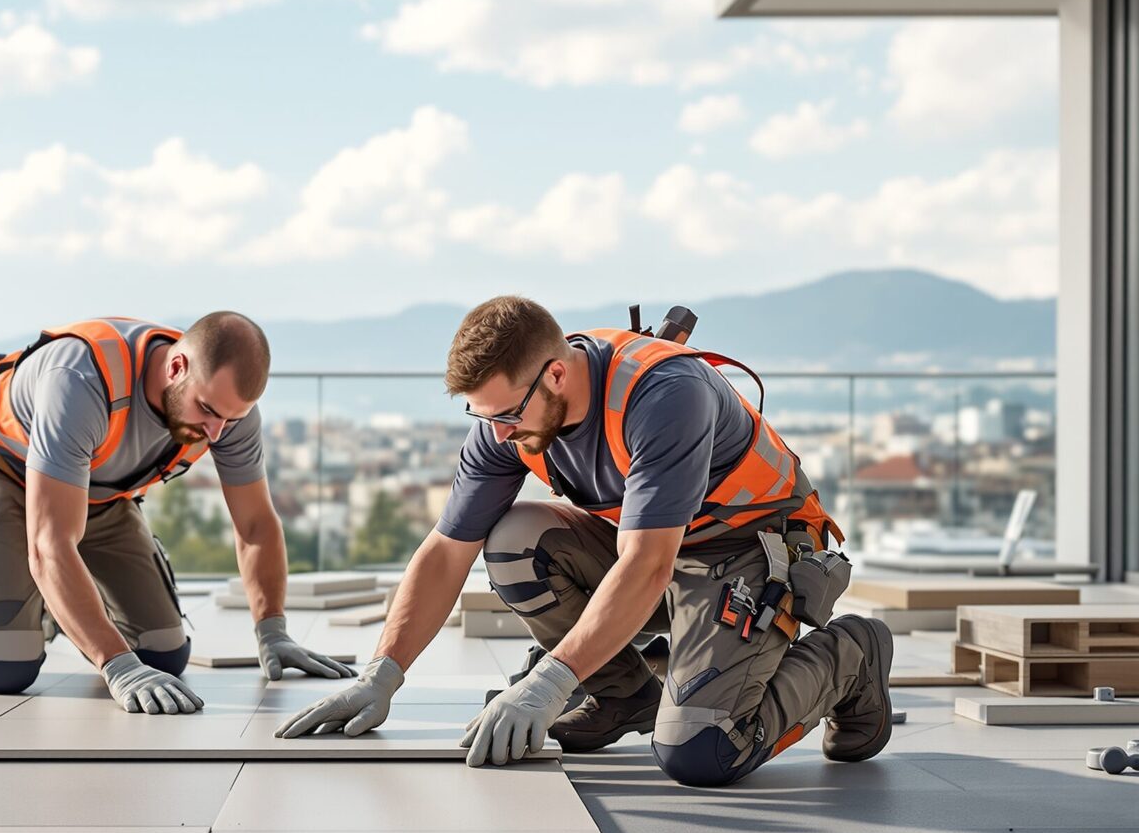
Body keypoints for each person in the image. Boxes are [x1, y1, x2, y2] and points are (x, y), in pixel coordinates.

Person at [276, 295, 893, 784]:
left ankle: (856, 654)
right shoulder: (509, 422)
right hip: (655, 555)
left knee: (702, 751)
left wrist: (549, 682)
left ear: (555, 375)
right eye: (483, 416)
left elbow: (646, 566)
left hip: (747, 551)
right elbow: (445, 551)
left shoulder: (664, 395)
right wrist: (382, 674)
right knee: (517, 538)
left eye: (508, 414)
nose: (499, 431)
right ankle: (622, 693)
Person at [0, 312, 353, 712]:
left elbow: (254, 524)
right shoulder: (81, 380)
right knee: (1, 664)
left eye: (229, 418)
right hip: (5, 475)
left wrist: (272, 630)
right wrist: (115, 666)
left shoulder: (226, 416)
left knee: (162, 655)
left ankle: (35, 604)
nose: (215, 433)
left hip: (97, 495)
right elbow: (49, 545)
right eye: (207, 411)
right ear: (177, 367)